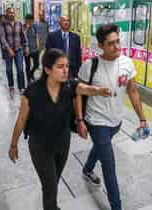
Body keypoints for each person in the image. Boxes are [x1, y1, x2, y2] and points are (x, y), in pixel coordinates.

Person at [8, 48, 112, 210]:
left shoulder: (69, 86)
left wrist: (99, 90)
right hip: (40, 147)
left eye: (67, 66)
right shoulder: (32, 92)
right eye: (60, 66)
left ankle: (51, 203)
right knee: (50, 186)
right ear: (47, 69)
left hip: (62, 144)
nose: (65, 70)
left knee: (54, 181)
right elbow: (21, 119)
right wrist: (13, 145)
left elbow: (85, 89)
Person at [76, 23, 148, 210]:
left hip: (116, 121)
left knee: (101, 147)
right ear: (100, 45)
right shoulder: (90, 65)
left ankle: (87, 168)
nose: (117, 47)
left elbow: (132, 91)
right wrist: (80, 120)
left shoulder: (127, 63)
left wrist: (142, 118)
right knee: (109, 167)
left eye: (118, 41)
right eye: (111, 44)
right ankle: (116, 206)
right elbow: (78, 92)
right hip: (96, 121)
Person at [0, 8, 29, 94]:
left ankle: (21, 87)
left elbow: (23, 36)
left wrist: (26, 47)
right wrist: (9, 49)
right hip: (8, 51)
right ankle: (11, 85)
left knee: (20, 69)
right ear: (6, 14)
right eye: (9, 13)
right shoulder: (2, 25)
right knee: (9, 69)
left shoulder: (18, 23)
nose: (11, 14)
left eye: (12, 13)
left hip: (18, 49)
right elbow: (2, 38)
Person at [23, 14, 40, 85]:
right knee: (27, 66)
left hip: (34, 49)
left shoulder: (34, 26)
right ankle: (28, 80)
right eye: (28, 20)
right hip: (27, 50)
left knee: (37, 64)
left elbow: (36, 36)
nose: (30, 22)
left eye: (31, 20)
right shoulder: (23, 27)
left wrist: (38, 46)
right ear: (26, 20)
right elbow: (23, 36)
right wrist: (26, 28)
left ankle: (31, 74)